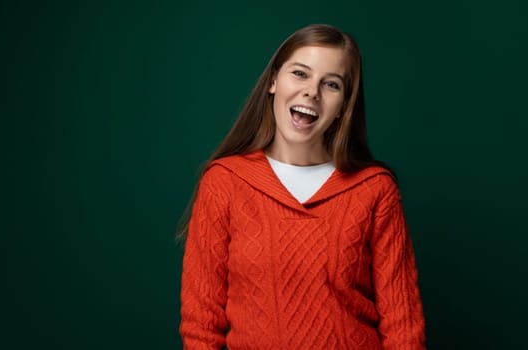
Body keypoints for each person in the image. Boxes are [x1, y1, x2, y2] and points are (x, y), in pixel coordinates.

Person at [179, 24, 426, 349]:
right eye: (300, 74)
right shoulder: (225, 181)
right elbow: (201, 322)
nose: (312, 91)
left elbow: (403, 325)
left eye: (332, 84)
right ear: (273, 81)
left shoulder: (375, 190)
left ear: (344, 105)